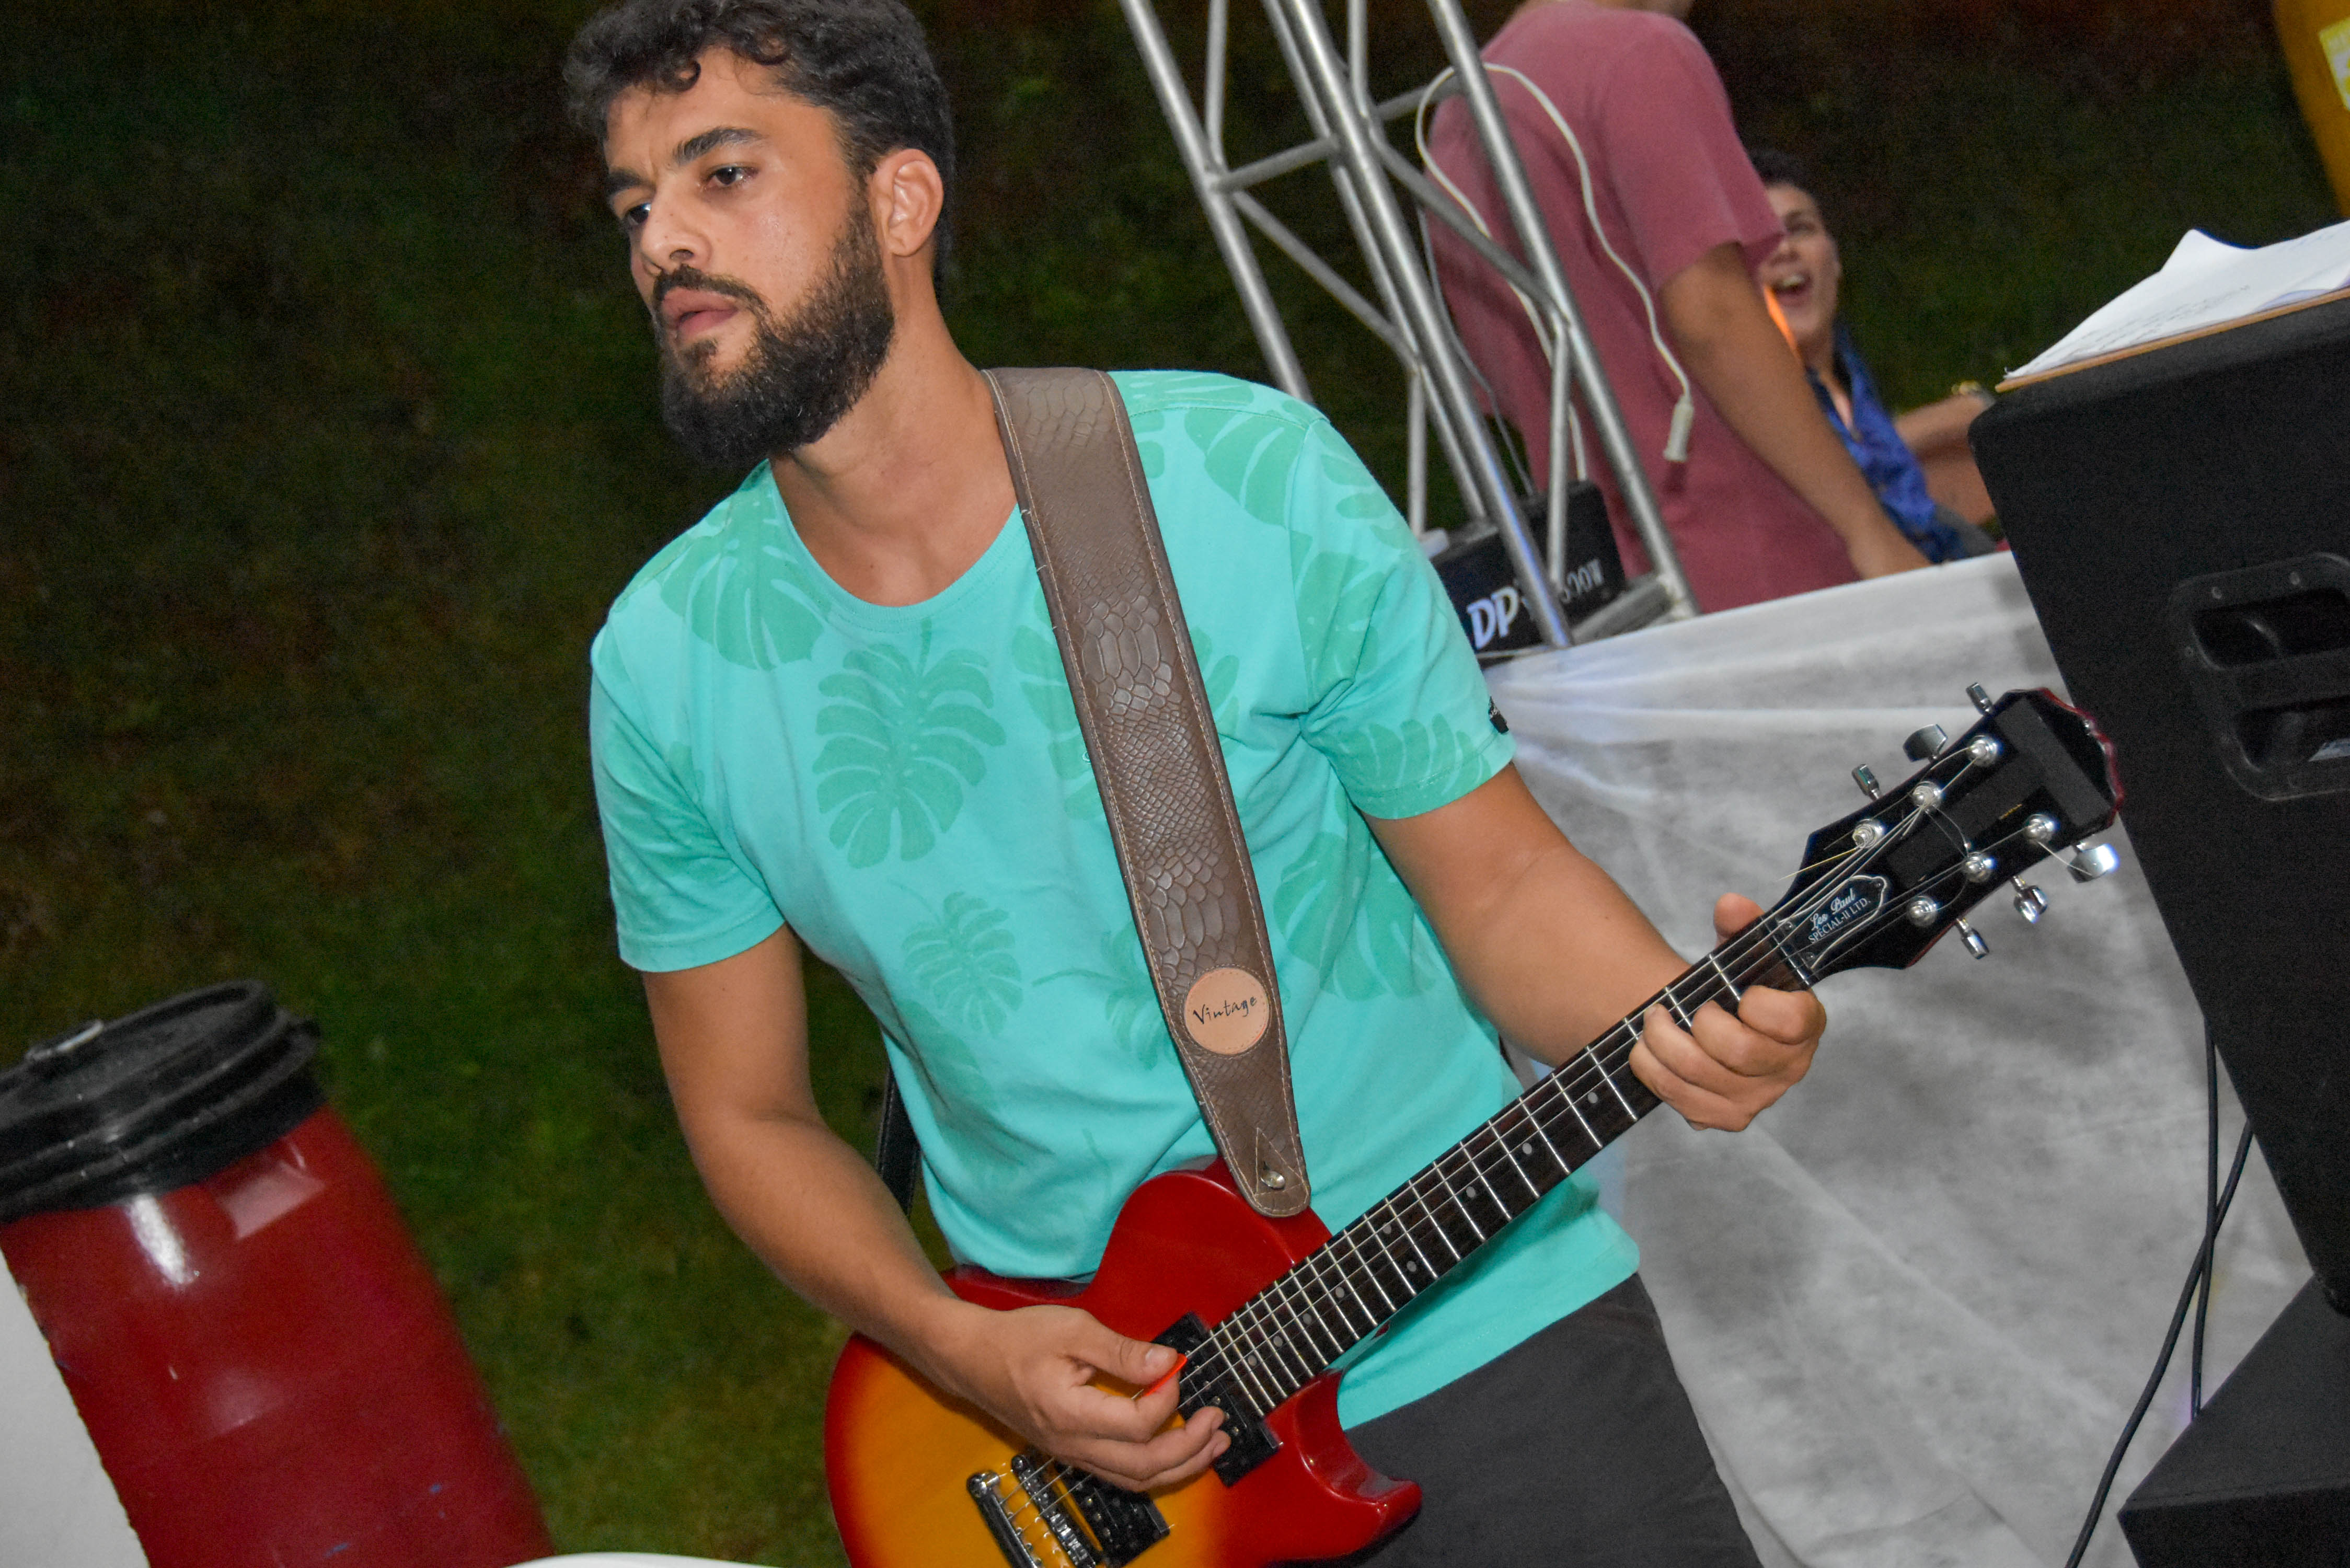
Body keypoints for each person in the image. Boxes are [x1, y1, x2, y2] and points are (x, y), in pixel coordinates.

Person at [568, 1, 1826, 1559]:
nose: (662, 243)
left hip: (1486, 1340)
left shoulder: (1241, 481)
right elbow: (748, 1114)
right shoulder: (665, 668)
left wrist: (1678, 1019)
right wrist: (960, 1349)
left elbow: (1498, 881)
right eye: (634, 205)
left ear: (900, 199)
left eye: (722, 174)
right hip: (1104, 1464)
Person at [1424, 0, 1928, 613]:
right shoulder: (1638, 52)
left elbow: (1499, 386)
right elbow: (1713, 315)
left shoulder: (1451, 118)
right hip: (1756, 557)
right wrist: (1866, 529)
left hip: (1602, 588)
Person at [1749, 148, 1998, 563]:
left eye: (1800, 229)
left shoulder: (1850, 371)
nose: (1784, 250)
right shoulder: (1748, 413)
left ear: (1836, 258)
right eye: (1760, 243)